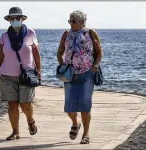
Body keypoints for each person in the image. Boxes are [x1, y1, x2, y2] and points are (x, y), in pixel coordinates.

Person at [0, 7, 41, 140]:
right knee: (12, 104)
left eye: (18, 18)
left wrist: (39, 70)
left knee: (25, 104)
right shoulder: (4, 36)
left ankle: (30, 120)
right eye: (12, 18)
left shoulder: (30, 33)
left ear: (22, 19)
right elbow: (0, 55)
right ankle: (15, 132)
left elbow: (36, 53)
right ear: (9, 20)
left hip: (27, 74)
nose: (15, 20)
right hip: (7, 75)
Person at [57, 10, 103, 144]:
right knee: (69, 107)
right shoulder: (66, 34)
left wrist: (94, 67)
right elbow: (60, 52)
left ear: (82, 22)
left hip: (87, 74)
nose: (71, 23)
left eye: (74, 21)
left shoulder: (91, 33)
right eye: (69, 21)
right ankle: (75, 123)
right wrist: (63, 66)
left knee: (85, 105)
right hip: (70, 75)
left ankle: (86, 134)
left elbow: (99, 52)